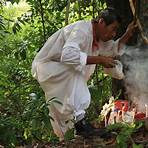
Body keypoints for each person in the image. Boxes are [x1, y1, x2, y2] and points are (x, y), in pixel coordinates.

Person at [32, 7, 136, 140]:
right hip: (47, 67)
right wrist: (99, 59)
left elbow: (111, 50)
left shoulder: (97, 37)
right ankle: (82, 126)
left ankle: (70, 135)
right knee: (75, 72)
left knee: (64, 111)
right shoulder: (81, 30)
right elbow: (68, 55)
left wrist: (127, 34)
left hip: (59, 70)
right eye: (113, 29)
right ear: (101, 22)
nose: (114, 34)